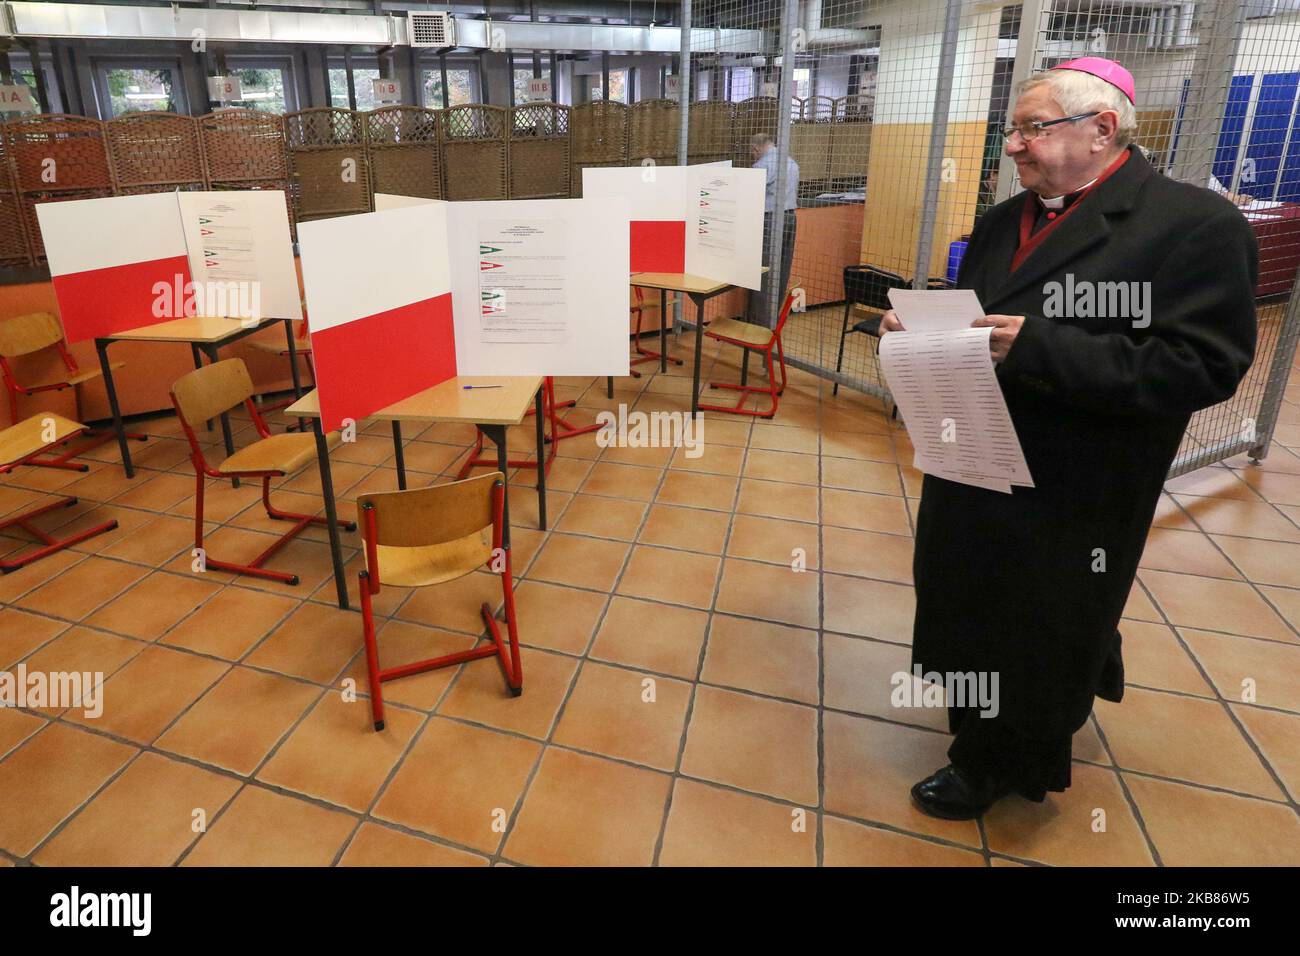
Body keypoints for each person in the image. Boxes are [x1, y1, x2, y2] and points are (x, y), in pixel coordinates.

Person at [880, 57, 1257, 820]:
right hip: (974, 455)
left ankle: (998, 760)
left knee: (1040, 618)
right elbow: (980, 320)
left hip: (1075, 480)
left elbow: (1204, 364)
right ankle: (1006, 702)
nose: (1011, 147)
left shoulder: (1193, 226)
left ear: (1103, 130)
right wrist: (918, 332)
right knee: (965, 599)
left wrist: (1039, 348)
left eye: (1031, 128)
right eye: (1010, 130)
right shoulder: (1000, 221)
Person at [748, 133, 799, 328]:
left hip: (769, 220)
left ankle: (758, 323)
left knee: (763, 270)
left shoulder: (761, 166)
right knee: (782, 269)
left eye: (752, 153)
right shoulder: (791, 162)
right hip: (790, 218)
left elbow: (750, 195)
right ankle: (772, 320)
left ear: (756, 148)